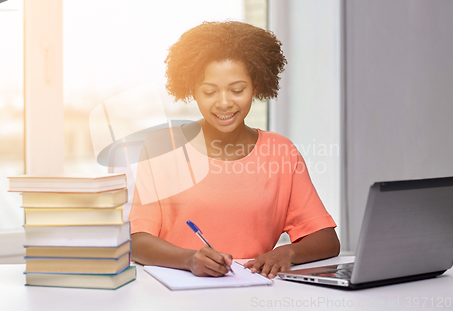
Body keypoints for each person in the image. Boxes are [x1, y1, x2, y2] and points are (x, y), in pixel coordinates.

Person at [128, 21, 340, 279]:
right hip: (177, 295)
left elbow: (327, 239)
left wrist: (288, 253)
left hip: (253, 295)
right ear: (192, 91)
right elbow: (138, 241)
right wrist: (189, 259)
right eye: (209, 91)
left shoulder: (281, 152)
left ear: (256, 88)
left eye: (237, 90)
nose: (224, 103)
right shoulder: (163, 148)